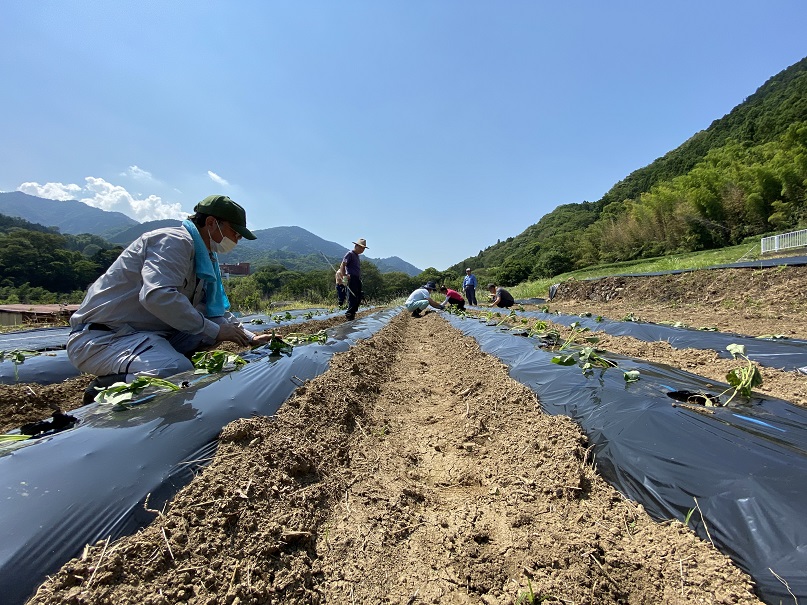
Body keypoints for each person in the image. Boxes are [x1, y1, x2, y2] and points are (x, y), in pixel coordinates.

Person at [67, 195, 277, 398]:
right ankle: (104, 389)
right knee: (175, 371)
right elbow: (158, 296)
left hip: (147, 334)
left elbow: (211, 311)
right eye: (235, 233)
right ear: (212, 223)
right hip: (107, 337)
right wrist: (215, 330)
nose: (236, 240)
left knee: (206, 331)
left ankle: (159, 363)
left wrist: (250, 337)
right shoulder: (174, 242)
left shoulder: (204, 258)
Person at [336, 238, 367, 320]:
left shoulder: (356, 256)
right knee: (352, 297)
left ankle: (353, 313)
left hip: (357, 278)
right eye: (361, 247)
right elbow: (343, 265)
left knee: (358, 297)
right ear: (356, 246)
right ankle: (349, 315)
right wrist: (344, 277)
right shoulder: (350, 254)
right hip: (351, 278)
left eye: (363, 248)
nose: (362, 250)